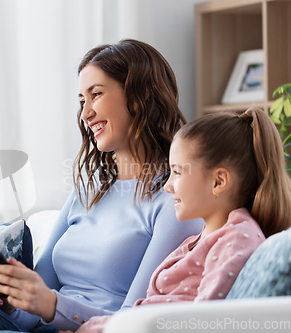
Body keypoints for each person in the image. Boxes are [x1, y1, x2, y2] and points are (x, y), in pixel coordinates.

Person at [0, 39, 204, 333]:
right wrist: (10, 300)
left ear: (141, 96)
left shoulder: (175, 203)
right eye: (81, 100)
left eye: (96, 94)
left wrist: (53, 305)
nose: (86, 112)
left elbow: (134, 319)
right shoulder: (86, 194)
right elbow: (35, 302)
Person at [76, 108, 291, 333]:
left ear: (218, 182)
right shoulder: (201, 239)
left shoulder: (237, 238)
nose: (167, 186)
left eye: (177, 172)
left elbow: (205, 320)